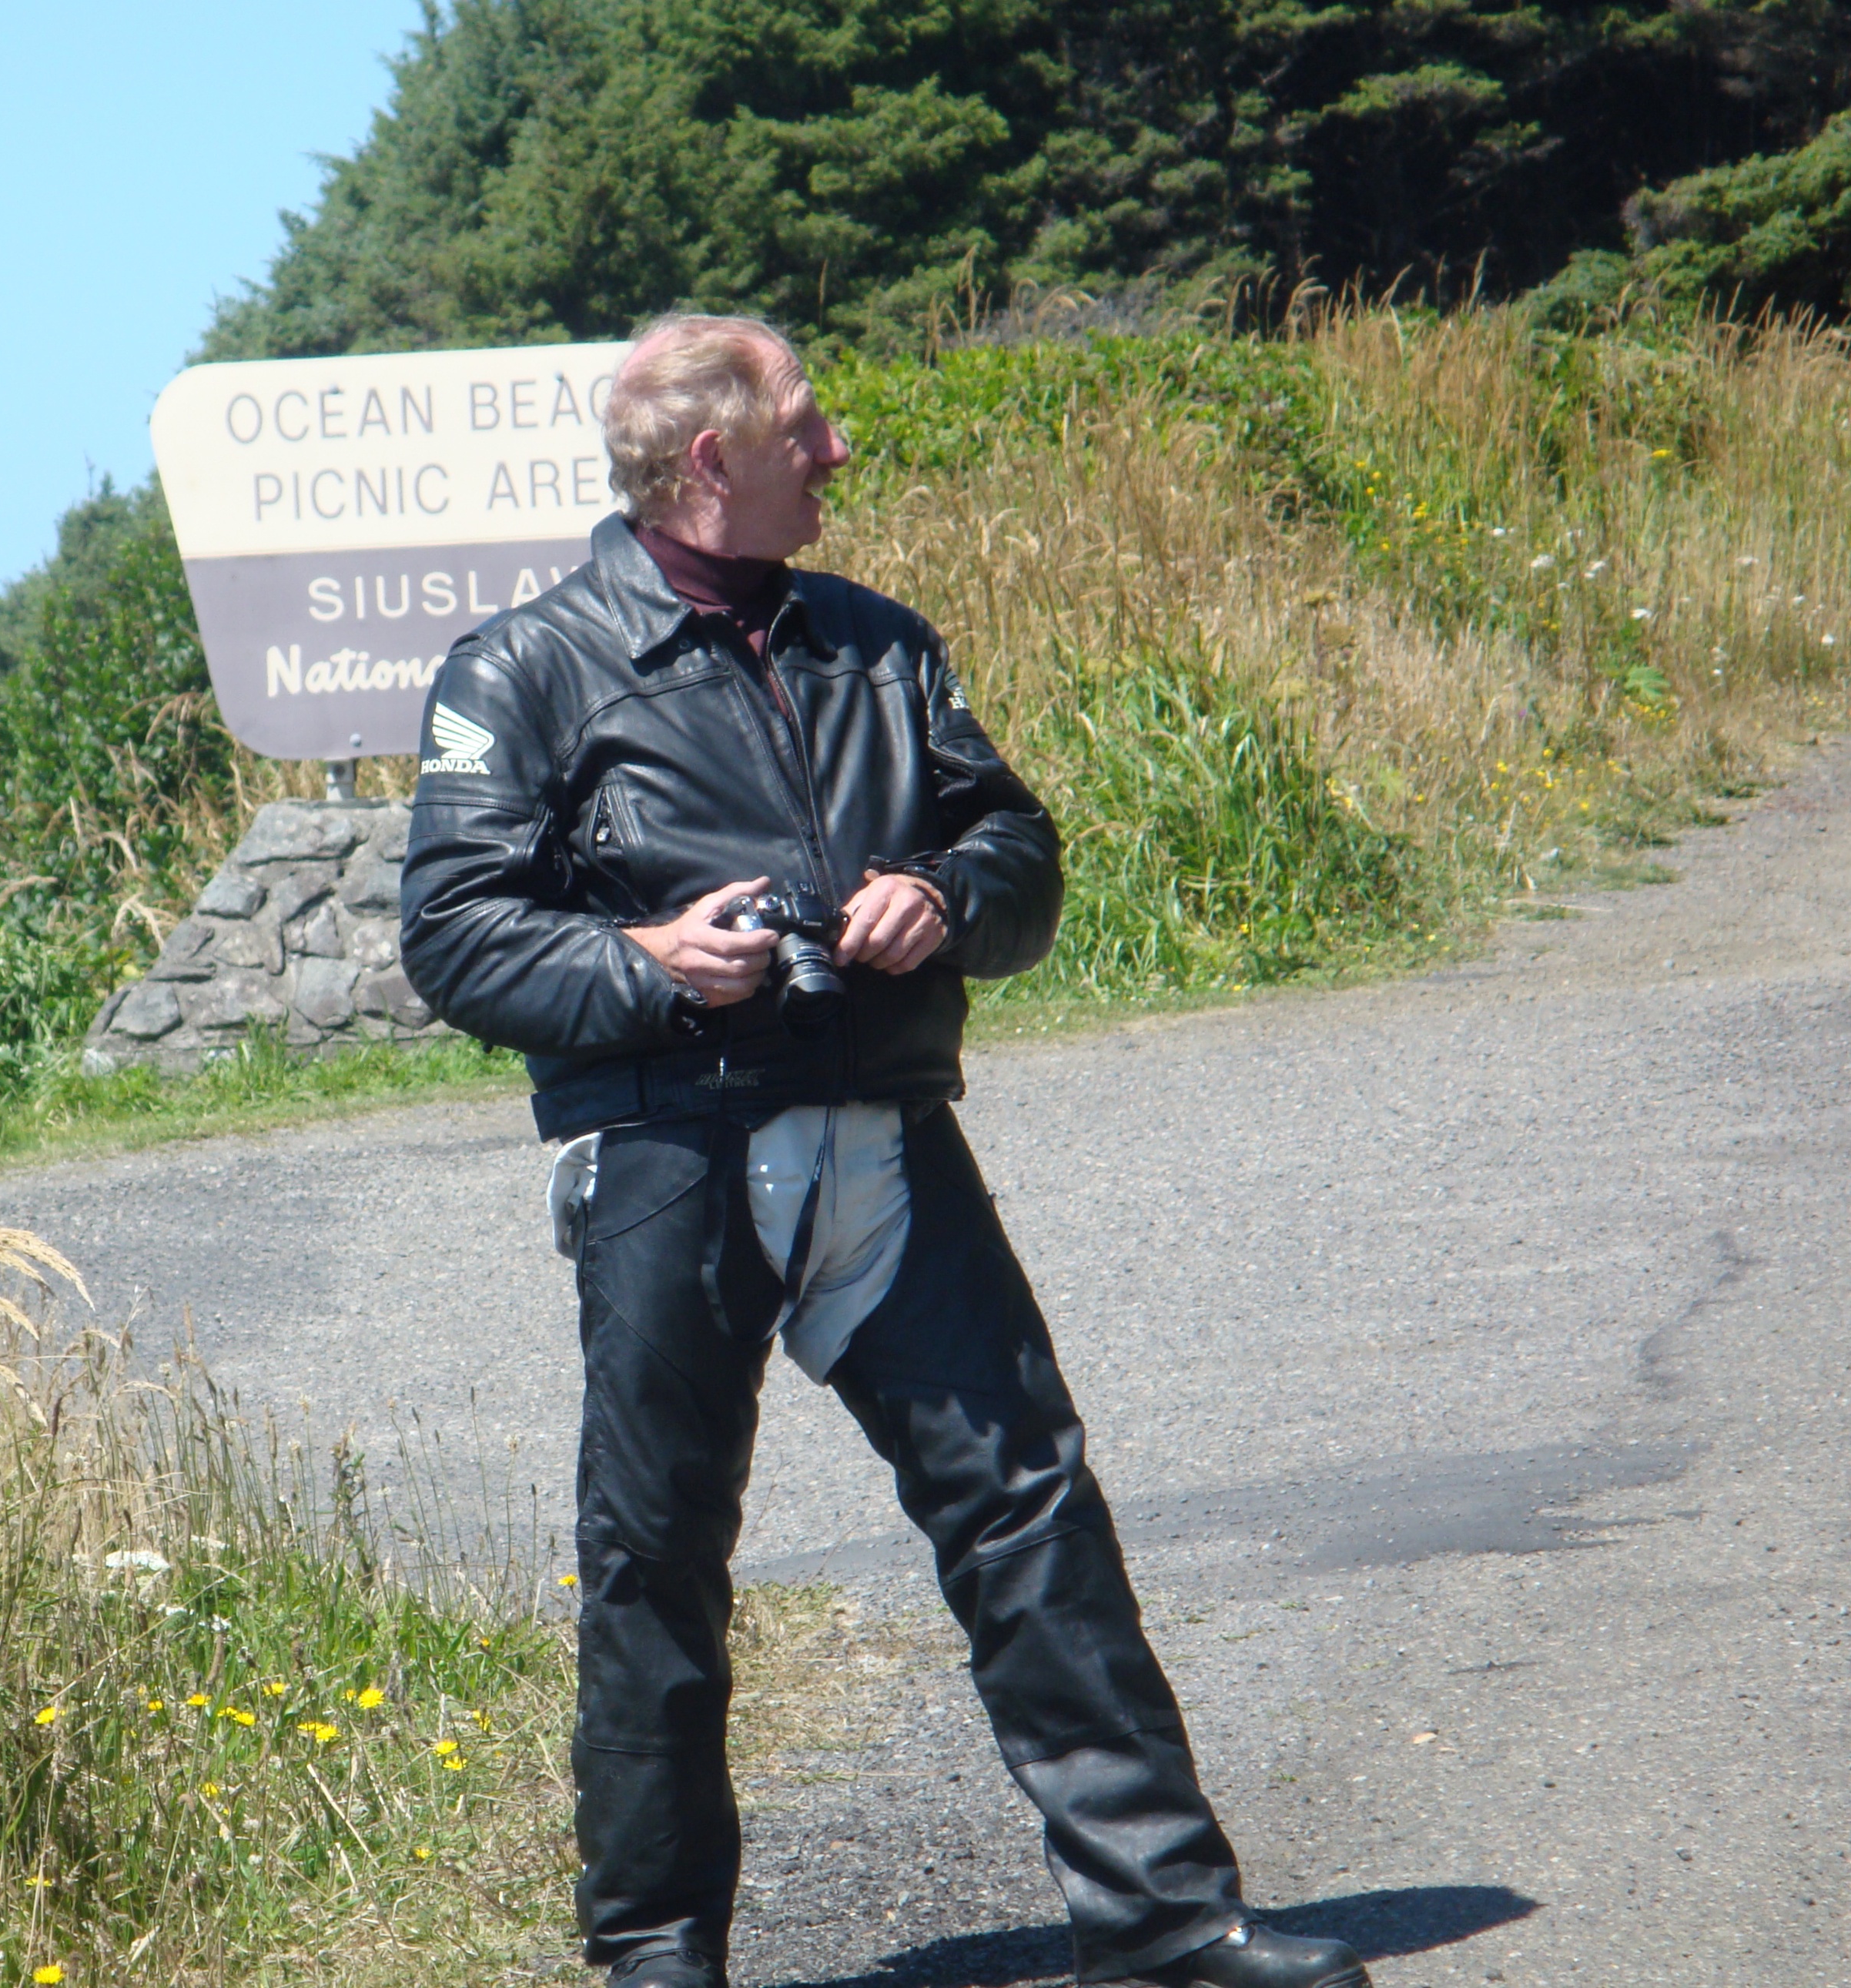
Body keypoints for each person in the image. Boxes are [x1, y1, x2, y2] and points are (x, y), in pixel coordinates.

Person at [397, 314, 1367, 1988]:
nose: (839, 450)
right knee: (654, 1560)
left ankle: (1164, 1920)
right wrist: (645, 964)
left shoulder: (882, 644)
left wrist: (949, 894)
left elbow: (1020, 849)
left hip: (894, 1143)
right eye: (809, 425)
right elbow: (454, 932)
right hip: (669, 1157)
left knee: (1033, 1511)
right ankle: (655, 1957)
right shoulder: (523, 670)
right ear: (715, 459)